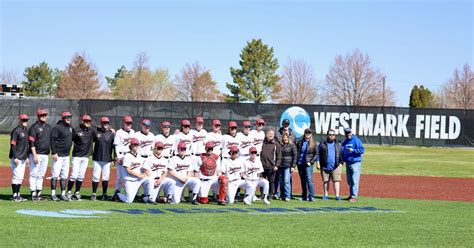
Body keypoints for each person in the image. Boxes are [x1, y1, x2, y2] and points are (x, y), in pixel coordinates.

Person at [67, 114, 96, 201]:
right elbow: (71, 139)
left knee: (81, 175)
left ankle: (77, 192)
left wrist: (111, 129)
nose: (88, 122)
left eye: (89, 121)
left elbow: (99, 131)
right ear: (83, 121)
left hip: (86, 156)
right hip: (77, 155)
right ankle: (68, 192)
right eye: (86, 121)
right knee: (74, 175)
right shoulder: (76, 129)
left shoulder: (91, 130)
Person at [118, 138, 153, 204]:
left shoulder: (139, 156)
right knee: (129, 200)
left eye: (137, 145)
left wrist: (145, 171)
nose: (136, 146)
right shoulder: (127, 156)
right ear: (131, 146)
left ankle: (148, 197)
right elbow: (128, 170)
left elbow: (141, 168)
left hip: (138, 179)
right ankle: (118, 195)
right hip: (130, 180)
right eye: (134, 145)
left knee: (149, 179)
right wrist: (139, 175)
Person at [28, 109, 52, 201]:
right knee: (33, 174)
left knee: (41, 175)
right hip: (36, 154)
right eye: (42, 115)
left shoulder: (49, 127)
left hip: (45, 155)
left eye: (45, 115)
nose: (44, 116)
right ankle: (33, 193)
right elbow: (31, 142)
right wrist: (34, 155)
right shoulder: (33, 127)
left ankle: (39, 193)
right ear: (38, 116)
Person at [50, 111, 74, 201]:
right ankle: (53, 194)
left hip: (66, 156)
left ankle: (63, 194)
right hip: (58, 155)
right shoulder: (57, 127)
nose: (68, 119)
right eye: (66, 117)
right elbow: (52, 140)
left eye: (70, 117)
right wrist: (54, 152)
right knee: (55, 175)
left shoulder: (70, 128)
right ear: (63, 118)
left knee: (64, 175)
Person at [91, 117, 115, 201]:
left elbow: (114, 147)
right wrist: (98, 127)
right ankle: (94, 193)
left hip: (107, 159)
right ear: (101, 123)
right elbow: (91, 128)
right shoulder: (96, 131)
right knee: (95, 177)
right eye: (104, 122)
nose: (105, 124)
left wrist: (113, 159)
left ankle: (104, 194)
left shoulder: (112, 134)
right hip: (97, 158)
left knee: (105, 177)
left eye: (107, 123)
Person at [112, 115, 136, 201]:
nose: (129, 125)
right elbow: (116, 145)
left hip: (130, 156)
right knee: (120, 176)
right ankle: (117, 192)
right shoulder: (119, 132)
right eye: (127, 123)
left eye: (130, 123)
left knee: (130, 175)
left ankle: (131, 193)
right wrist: (118, 157)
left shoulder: (133, 132)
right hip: (122, 155)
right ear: (124, 123)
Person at [316, 129, 344, 201]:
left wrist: (341, 163)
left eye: (333, 134)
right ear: (327, 135)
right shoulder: (322, 144)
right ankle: (326, 195)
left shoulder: (339, 144)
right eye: (330, 134)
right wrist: (318, 163)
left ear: (335, 136)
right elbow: (318, 154)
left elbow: (342, 154)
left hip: (336, 166)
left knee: (336, 180)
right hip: (325, 165)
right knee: (326, 181)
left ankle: (337, 195)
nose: (331, 136)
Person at [9, 114, 30, 202]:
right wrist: (15, 157)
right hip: (17, 158)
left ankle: (18, 194)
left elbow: (26, 146)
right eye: (23, 120)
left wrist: (27, 157)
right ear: (20, 121)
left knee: (20, 177)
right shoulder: (16, 131)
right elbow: (13, 145)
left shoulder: (26, 130)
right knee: (16, 177)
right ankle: (14, 195)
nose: (25, 122)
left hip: (23, 158)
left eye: (26, 120)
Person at [342, 127, 365, 203]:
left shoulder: (356, 140)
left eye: (349, 132)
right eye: (347, 133)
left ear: (351, 132)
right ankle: (351, 194)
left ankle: (354, 196)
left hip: (355, 162)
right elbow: (342, 151)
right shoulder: (345, 142)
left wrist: (354, 150)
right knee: (350, 180)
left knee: (354, 180)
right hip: (348, 163)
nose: (348, 134)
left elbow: (362, 150)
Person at [296, 128, 318, 202]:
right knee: (303, 180)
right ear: (304, 134)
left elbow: (316, 154)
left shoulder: (314, 143)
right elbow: (297, 152)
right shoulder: (300, 142)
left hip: (308, 164)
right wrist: (296, 162)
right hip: (300, 163)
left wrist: (311, 162)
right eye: (306, 133)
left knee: (309, 179)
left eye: (309, 133)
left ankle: (311, 196)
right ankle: (304, 196)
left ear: (311, 134)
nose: (307, 134)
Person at [260, 128, 282, 200]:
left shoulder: (276, 144)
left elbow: (279, 156)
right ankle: (263, 194)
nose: (270, 135)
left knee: (271, 181)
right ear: (266, 135)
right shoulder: (262, 143)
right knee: (262, 181)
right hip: (262, 166)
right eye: (269, 134)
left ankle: (270, 195)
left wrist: (276, 165)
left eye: (272, 134)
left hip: (271, 166)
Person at [278, 133, 297, 201]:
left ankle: (287, 196)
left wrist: (293, 166)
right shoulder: (280, 145)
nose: (285, 138)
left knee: (286, 181)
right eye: (284, 137)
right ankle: (282, 195)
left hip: (288, 166)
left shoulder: (292, 145)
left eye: (286, 137)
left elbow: (295, 156)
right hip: (280, 165)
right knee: (281, 182)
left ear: (288, 138)